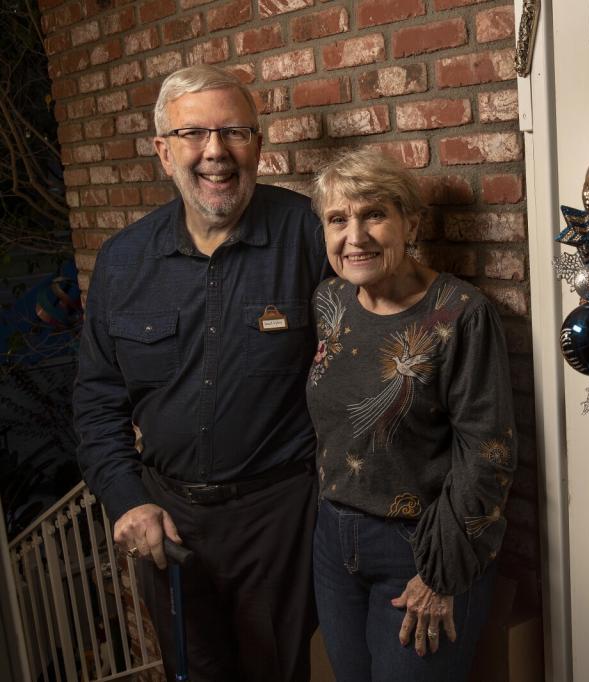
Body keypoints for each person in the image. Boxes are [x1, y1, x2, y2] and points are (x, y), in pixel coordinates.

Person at [73, 64, 326, 681]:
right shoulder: (123, 261)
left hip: (281, 520)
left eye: (235, 132)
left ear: (258, 145)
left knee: (276, 671)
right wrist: (128, 502)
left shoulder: (312, 235)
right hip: (168, 523)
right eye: (193, 134)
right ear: (164, 151)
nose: (216, 152)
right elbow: (97, 402)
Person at [306, 149, 517, 681]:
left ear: (411, 224)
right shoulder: (329, 301)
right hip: (333, 539)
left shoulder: (460, 312)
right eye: (338, 219)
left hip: (419, 547)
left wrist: (440, 573)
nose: (355, 236)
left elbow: (488, 453)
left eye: (373, 214)